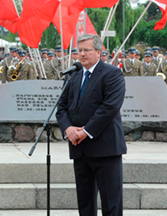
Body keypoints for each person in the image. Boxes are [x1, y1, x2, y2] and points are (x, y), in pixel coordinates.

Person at [56, 34, 126, 216]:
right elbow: (61, 107)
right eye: (79, 50)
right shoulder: (73, 74)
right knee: (85, 202)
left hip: (105, 148)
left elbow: (110, 108)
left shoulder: (112, 73)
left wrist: (86, 131)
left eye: (86, 50)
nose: (82, 54)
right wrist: (68, 129)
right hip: (79, 148)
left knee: (111, 203)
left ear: (99, 52)